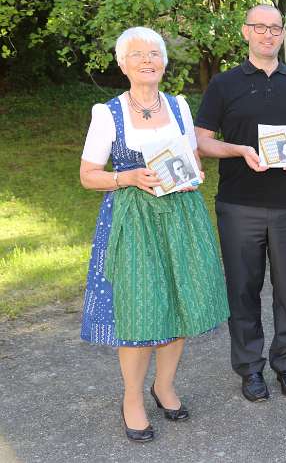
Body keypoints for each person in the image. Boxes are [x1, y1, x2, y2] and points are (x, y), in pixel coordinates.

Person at [79, 27, 229, 443]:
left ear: (164, 62)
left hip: (181, 215)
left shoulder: (180, 105)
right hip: (134, 219)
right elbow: (88, 176)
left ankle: (163, 386)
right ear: (123, 63)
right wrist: (126, 177)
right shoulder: (107, 113)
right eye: (138, 54)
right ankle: (132, 398)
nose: (148, 60)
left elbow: (193, 160)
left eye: (155, 54)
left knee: (181, 302)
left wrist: (195, 174)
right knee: (140, 308)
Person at [194, 4, 286, 402]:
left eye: (276, 28)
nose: (269, 35)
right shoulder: (224, 84)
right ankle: (250, 369)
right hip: (239, 204)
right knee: (243, 289)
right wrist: (240, 150)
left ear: (283, 34)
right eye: (260, 28)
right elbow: (201, 140)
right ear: (246, 32)